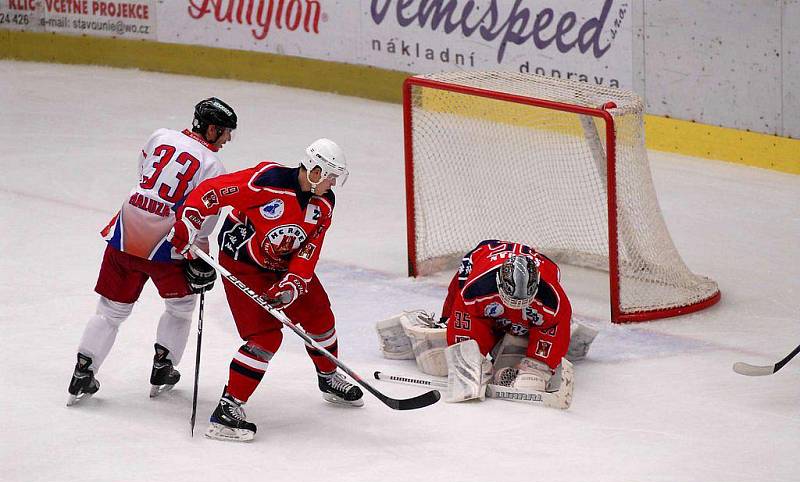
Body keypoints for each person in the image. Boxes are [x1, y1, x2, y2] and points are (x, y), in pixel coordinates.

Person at [167, 138, 362, 442]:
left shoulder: (325, 204)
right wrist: (188, 223)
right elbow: (211, 192)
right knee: (266, 337)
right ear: (314, 171)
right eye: (331, 175)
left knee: (320, 317)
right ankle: (227, 410)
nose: (334, 182)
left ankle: (328, 377)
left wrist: (292, 286)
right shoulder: (265, 181)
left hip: (282, 267)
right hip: (243, 265)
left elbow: (308, 251)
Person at [67, 97, 238, 406]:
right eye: (225, 132)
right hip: (168, 247)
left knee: (109, 311)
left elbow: (144, 175)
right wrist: (202, 257)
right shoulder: (214, 166)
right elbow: (203, 223)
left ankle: (82, 371)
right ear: (211, 129)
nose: (227, 139)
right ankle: (163, 366)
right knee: (181, 308)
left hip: (125, 233)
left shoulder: (160, 136)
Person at [377, 239, 585, 400]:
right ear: (498, 282)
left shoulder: (552, 299)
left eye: (520, 300)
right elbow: (462, 319)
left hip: (524, 312)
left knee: (526, 374)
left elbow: (553, 326)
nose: (514, 303)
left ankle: (522, 338)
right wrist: (469, 360)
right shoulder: (476, 287)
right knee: (441, 363)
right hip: (485, 262)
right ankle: (414, 331)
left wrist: (538, 367)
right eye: (510, 298)